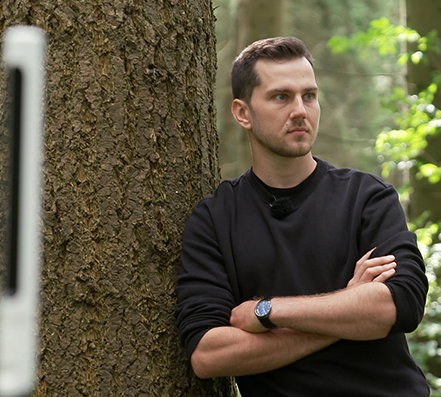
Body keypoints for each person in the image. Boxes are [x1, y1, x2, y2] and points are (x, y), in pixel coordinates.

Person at [175, 37, 429, 396]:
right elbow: (208, 354)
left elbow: (396, 307)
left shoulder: (367, 197)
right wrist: (347, 305)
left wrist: (267, 311)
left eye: (309, 96)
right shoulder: (216, 219)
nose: (300, 110)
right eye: (281, 97)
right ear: (242, 113)